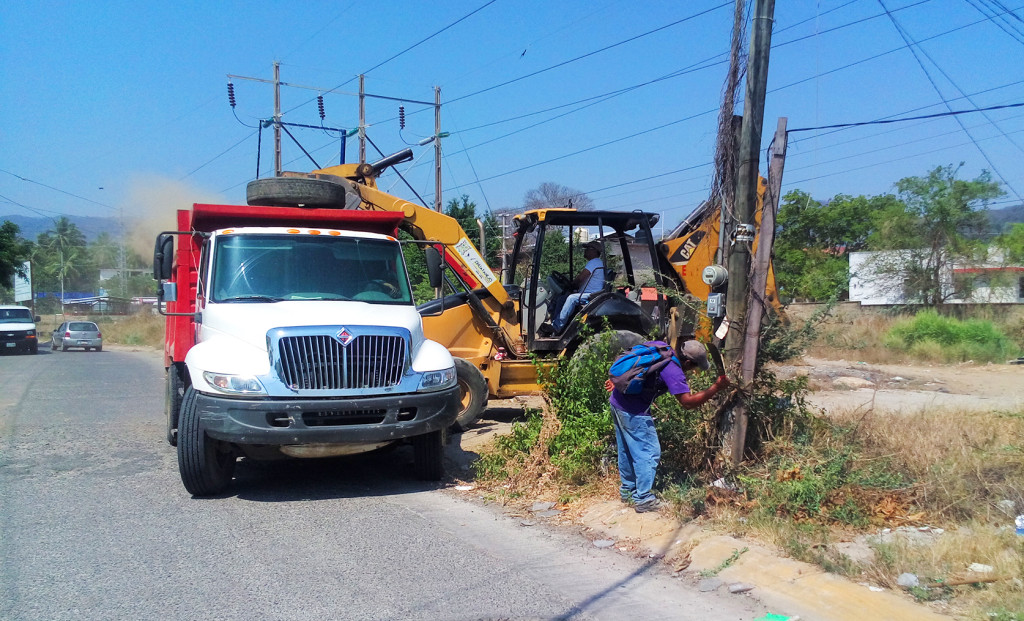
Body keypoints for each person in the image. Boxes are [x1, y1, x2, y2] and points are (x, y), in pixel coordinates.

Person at [604, 340, 730, 513]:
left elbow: (631, 358)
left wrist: (618, 381)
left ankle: (628, 492)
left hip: (617, 402)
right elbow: (687, 402)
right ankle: (643, 499)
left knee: (626, 450)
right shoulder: (673, 370)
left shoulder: (660, 347)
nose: (692, 372)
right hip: (633, 411)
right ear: (687, 362)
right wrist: (716, 387)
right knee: (649, 452)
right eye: (693, 368)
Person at [543, 240, 605, 334]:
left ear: (594, 251)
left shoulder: (594, 262)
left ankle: (556, 327)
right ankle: (555, 325)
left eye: (587, 248)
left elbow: (580, 278)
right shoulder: (595, 262)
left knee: (571, 298)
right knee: (561, 298)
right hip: (587, 293)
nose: (585, 251)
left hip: (591, 295)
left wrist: (572, 284)